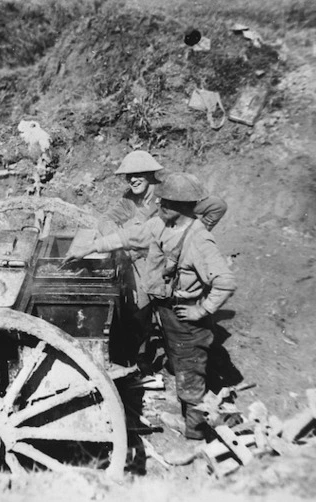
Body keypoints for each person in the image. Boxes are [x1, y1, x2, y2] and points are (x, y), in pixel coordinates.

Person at [66, 172, 236, 440]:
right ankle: (193, 401)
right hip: (167, 308)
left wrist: (201, 310)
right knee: (182, 360)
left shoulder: (198, 239)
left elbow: (225, 282)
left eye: (164, 203)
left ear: (179, 208)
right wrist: (89, 248)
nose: (159, 207)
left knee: (190, 367)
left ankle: (195, 430)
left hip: (186, 315)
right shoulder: (161, 225)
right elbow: (128, 237)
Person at [98, 150, 228, 371]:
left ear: (151, 174)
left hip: (174, 267)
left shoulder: (172, 193)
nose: (132, 180)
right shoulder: (131, 199)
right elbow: (106, 219)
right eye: (128, 176)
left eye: (138, 174)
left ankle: (187, 363)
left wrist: (189, 234)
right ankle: (142, 359)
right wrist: (119, 241)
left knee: (178, 317)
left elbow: (217, 206)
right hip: (145, 263)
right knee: (139, 311)